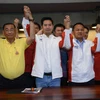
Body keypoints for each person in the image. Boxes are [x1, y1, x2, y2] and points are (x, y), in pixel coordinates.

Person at [0, 6, 35, 89]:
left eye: (11, 29)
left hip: (20, 80)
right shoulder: (0, 42)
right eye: (7, 30)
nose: (9, 32)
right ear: (3, 32)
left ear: (15, 31)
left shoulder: (21, 42)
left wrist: (30, 19)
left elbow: (32, 37)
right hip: (2, 81)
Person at [63, 16, 100, 86]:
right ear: (73, 32)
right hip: (75, 79)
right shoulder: (71, 43)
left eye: (82, 30)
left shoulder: (89, 43)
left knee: (91, 97)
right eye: (77, 30)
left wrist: (98, 33)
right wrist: (67, 28)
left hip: (89, 78)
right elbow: (67, 45)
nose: (80, 31)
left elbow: (97, 49)